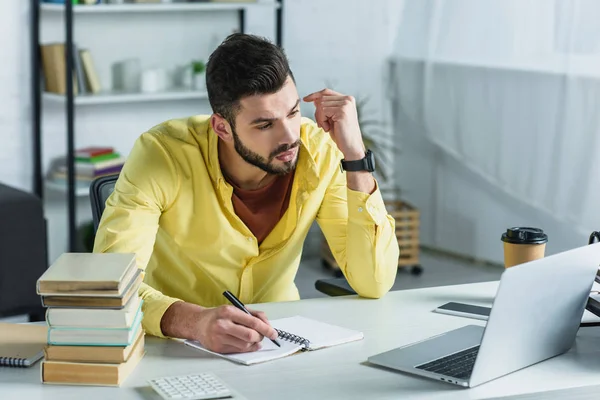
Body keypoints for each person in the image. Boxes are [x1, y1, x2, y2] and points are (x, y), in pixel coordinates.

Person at [94, 33, 399, 354]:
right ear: (222, 127)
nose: (289, 137)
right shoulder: (162, 154)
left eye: (293, 113)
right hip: (178, 347)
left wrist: (355, 158)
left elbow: (374, 282)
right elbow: (110, 286)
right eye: (265, 125)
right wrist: (195, 322)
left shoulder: (319, 151)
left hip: (282, 342)